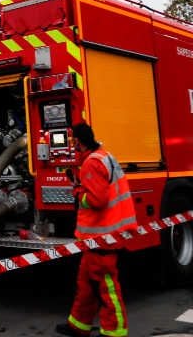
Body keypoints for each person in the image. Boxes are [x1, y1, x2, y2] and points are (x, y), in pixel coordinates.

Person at [56, 122, 137, 337]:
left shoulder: (91, 163)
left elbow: (97, 200)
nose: (72, 147)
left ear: (80, 142)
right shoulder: (104, 155)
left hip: (102, 238)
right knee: (86, 285)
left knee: (106, 288)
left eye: (73, 142)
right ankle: (78, 325)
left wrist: (77, 193)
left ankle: (115, 331)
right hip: (97, 237)